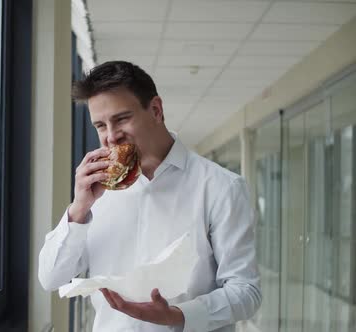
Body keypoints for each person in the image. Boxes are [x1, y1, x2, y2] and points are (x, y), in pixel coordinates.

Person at [38, 61, 261, 332]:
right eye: (100, 125)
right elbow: (51, 278)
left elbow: (246, 291)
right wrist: (79, 209)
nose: (111, 137)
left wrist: (179, 315)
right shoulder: (95, 194)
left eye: (121, 119)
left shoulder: (220, 187)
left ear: (156, 110)